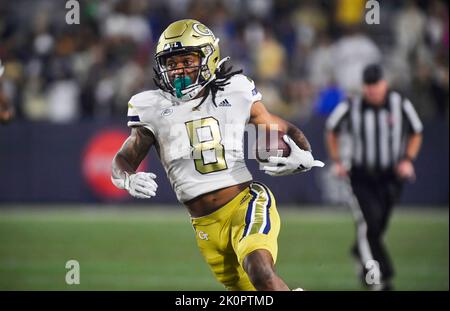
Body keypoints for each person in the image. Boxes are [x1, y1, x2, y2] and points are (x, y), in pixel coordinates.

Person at [111, 19, 324, 291]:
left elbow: (281, 127)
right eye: (172, 63)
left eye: (187, 60)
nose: (179, 70)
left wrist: (303, 153)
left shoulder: (234, 90)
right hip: (205, 226)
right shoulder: (151, 106)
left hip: (245, 202)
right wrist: (127, 179)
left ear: (208, 57)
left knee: (260, 271)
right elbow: (123, 160)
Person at [325, 64, 423, 290]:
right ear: (364, 87)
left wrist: (408, 159)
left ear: (384, 84)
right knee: (368, 224)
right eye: (368, 86)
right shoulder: (352, 105)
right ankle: (378, 278)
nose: (372, 91)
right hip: (361, 176)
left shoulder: (400, 104)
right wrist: (338, 161)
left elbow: (416, 130)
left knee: (379, 226)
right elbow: (332, 128)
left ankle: (359, 253)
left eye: (375, 85)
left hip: (390, 177)